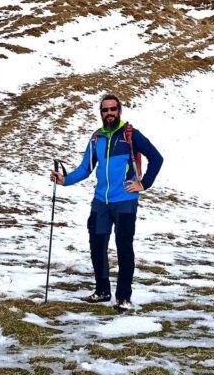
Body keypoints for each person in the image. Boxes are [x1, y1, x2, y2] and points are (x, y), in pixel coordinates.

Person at [52, 93, 163, 311]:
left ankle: (123, 298)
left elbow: (157, 158)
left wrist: (144, 183)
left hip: (125, 201)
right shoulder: (97, 138)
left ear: (119, 111)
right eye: (105, 110)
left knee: (124, 248)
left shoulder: (130, 135)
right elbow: (86, 168)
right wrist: (65, 181)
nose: (109, 113)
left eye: (113, 109)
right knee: (97, 246)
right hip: (100, 202)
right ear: (101, 113)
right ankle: (102, 291)